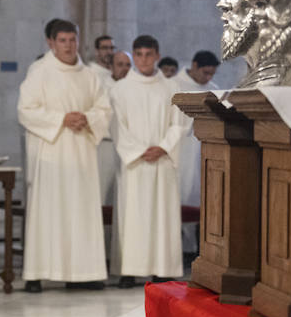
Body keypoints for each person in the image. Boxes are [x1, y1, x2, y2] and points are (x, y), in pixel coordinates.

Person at [17, 18, 111, 292]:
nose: (69, 46)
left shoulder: (90, 75)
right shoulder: (40, 71)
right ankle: (38, 273)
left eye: (73, 40)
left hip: (81, 153)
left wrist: (88, 118)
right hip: (52, 154)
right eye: (62, 41)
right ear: (50, 43)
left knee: (81, 211)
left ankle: (83, 273)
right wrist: (61, 119)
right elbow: (25, 110)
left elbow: (104, 108)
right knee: (50, 211)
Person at [109, 35, 188, 286]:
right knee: (133, 216)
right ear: (134, 56)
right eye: (139, 54)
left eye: (148, 54)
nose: (144, 59)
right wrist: (139, 150)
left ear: (157, 55)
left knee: (162, 216)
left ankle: (163, 269)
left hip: (162, 162)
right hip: (135, 163)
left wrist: (164, 147)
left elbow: (181, 122)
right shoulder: (119, 89)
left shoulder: (171, 88)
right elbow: (116, 126)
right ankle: (129, 270)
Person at [167, 51, 221, 257]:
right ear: (195, 65)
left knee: (199, 199)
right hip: (179, 148)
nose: (208, 78)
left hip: (202, 151)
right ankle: (177, 250)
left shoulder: (213, 90)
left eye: (212, 74)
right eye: (205, 73)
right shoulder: (174, 85)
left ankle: (194, 250)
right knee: (178, 197)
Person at [86, 35, 117, 233]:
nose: (108, 52)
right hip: (99, 143)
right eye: (105, 48)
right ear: (97, 51)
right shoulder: (89, 74)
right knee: (98, 195)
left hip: (120, 143)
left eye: (112, 48)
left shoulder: (119, 76)